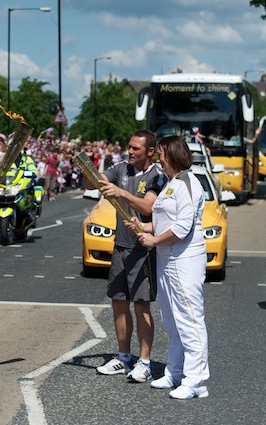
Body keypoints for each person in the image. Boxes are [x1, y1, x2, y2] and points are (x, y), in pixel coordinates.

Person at [127, 136, 209, 399]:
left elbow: (183, 228)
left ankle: (196, 380)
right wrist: (141, 227)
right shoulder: (172, 183)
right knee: (172, 320)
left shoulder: (189, 184)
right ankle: (175, 372)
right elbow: (163, 222)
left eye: (160, 153)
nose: (157, 158)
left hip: (185, 260)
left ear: (172, 154)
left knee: (190, 320)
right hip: (167, 259)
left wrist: (153, 240)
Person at [93, 130, 167, 383]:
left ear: (150, 151)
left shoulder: (157, 176)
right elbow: (97, 181)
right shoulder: (121, 168)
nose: (130, 151)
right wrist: (90, 172)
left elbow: (148, 206)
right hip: (121, 245)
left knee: (141, 305)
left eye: (136, 148)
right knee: (119, 302)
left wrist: (120, 193)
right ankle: (124, 357)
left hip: (143, 248)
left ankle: (144, 362)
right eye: (129, 147)